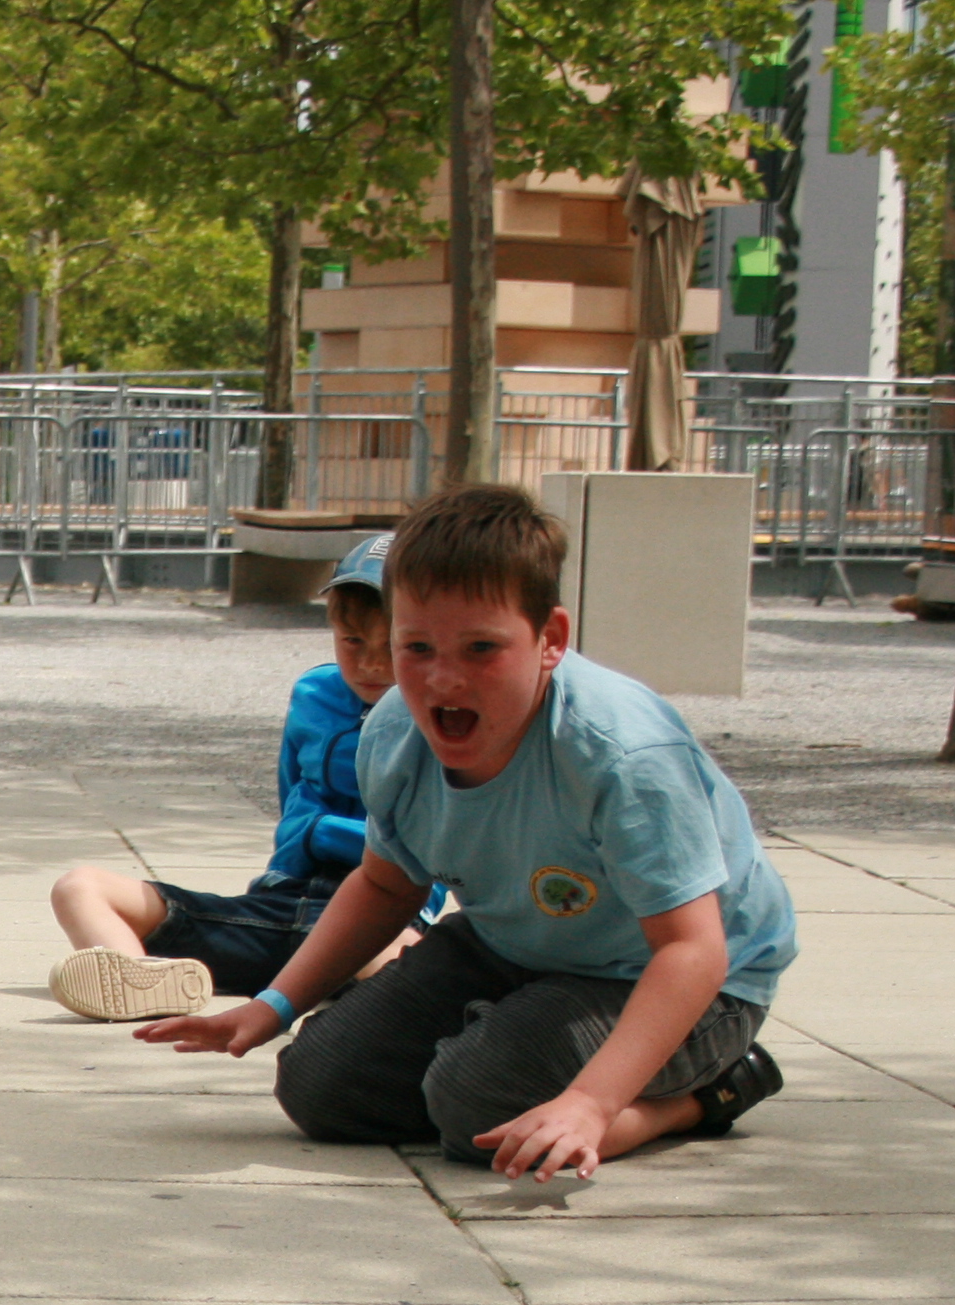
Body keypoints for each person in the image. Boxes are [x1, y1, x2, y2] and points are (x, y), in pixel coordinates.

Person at [146, 481, 795, 1178]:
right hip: (515, 944)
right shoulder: (394, 734)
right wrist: (273, 1006)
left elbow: (692, 951)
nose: (444, 679)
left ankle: (704, 1096)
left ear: (550, 640)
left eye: (482, 648)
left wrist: (590, 1102)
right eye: (416, 647)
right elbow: (385, 886)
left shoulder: (621, 756)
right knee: (322, 1086)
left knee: (477, 1110)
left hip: (684, 980)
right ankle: (519, 1048)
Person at [48, 532, 402, 1025]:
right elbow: (291, 791)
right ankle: (140, 978)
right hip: (277, 905)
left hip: (377, 912)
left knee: (395, 953)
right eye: (353, 641)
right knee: (78, 886)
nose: (370, 664)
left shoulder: (434, 710)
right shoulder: (314, 692)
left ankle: (384, 1002)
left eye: (393, 646)